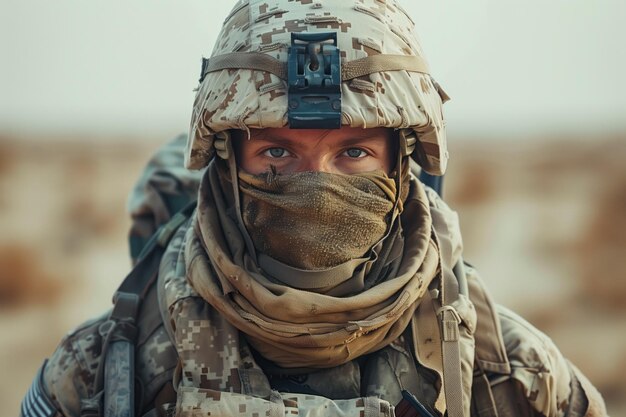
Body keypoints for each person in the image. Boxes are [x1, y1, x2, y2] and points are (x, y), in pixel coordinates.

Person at [21, 1, 607, 417]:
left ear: (403, 167)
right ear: (227, 163)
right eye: (277, 151)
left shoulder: (514, 376)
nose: (316, 185)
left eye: (354, 152)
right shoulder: (102, 373)